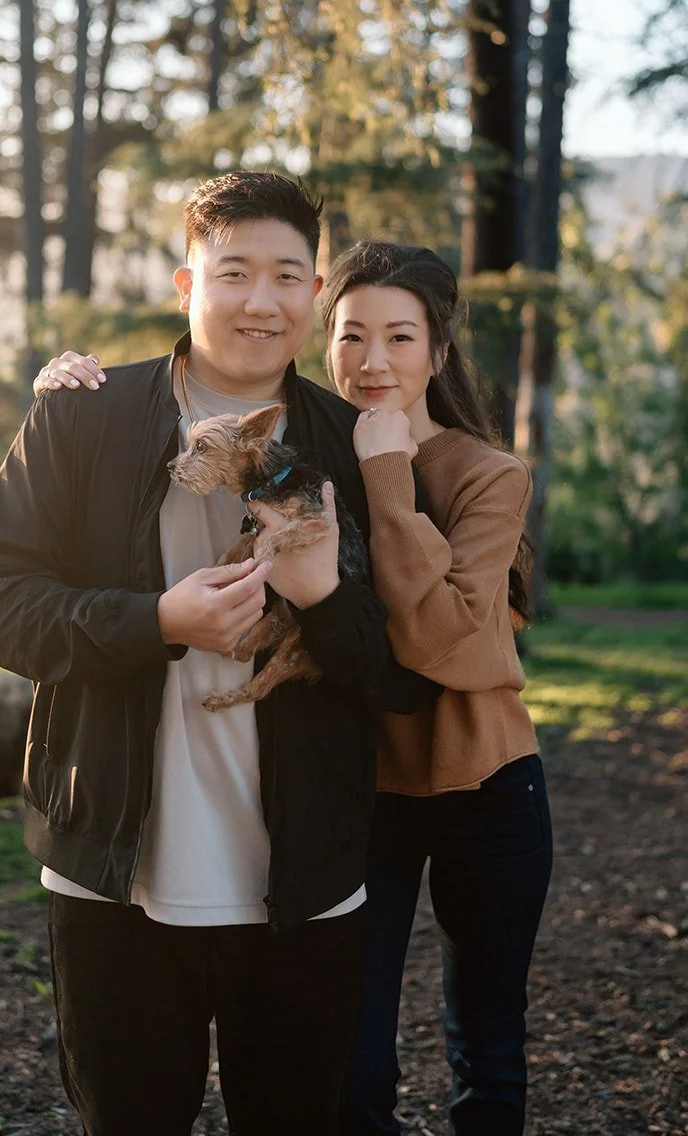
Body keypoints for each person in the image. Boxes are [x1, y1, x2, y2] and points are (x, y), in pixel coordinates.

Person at [42, 238, 552, 1136]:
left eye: (400, 338)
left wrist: (387, 469)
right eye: (352, 336)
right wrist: (76, 387)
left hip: (483, 784)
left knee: (487, 1043)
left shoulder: (480, 472)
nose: (373, 361)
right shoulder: (311, 445)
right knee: (355, 1069)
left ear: (438, 349)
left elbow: (437, 645)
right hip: (366, 792)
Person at [0, 174, 437, 1136]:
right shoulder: (82, 415)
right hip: (112, 871)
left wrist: (320, 600)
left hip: (304, 881)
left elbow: (404, 676)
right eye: (233, 272)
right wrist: (156, 623)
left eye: (286, 276)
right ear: (186, 284)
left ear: (313, 294)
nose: (260, 301)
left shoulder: (359, 449)